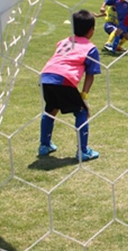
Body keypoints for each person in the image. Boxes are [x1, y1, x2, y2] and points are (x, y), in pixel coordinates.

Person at [38, 10, 101, 161]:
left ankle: (44, 145)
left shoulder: (63, 41)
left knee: (50, 109)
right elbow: (89, 75)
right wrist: (84, 96)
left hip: (45, 76)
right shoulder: (90, 48)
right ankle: (83, 151)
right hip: (64, 79)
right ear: (91, 29)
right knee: (81, 112)